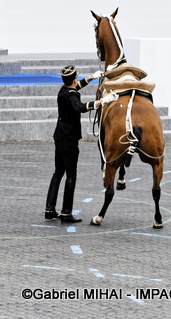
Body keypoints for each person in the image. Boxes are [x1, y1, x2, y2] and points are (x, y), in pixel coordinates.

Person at [45, 66, 116, 223]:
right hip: (69, 140)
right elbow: (81, 107)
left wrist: (90, 78)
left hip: (60, 136)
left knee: (58, 172)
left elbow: (75, 88)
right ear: (74, 79)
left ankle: (49, 209)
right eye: (77, 78)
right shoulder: (71, 97)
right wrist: (102, 101)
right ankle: (66, 212)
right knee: (71, 175)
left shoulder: (64, 90)